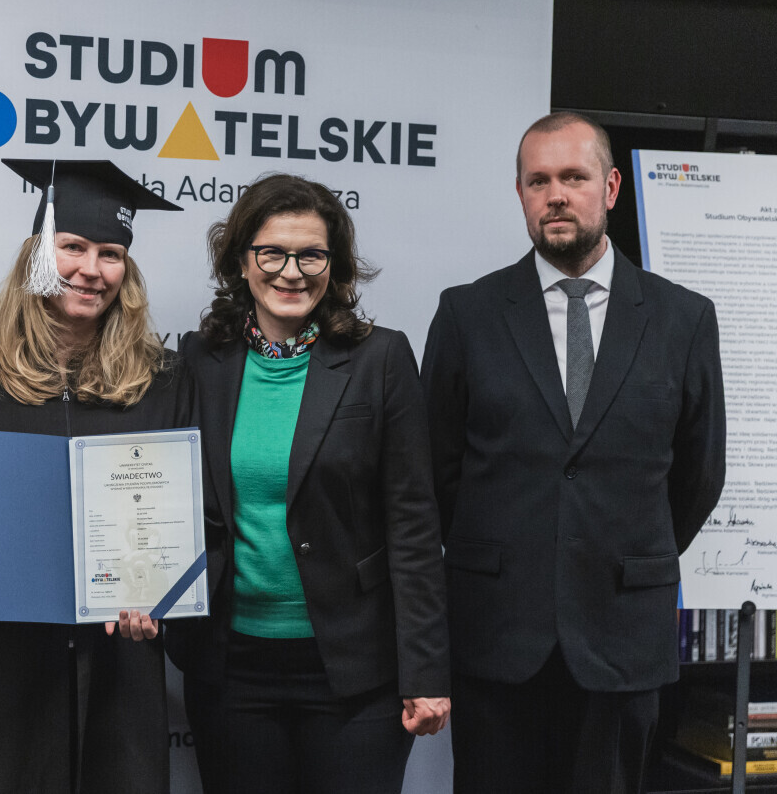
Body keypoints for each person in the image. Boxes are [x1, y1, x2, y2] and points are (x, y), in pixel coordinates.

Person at [421, 112, 727, 793]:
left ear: (610, 187)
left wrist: (622, 547)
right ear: (521, 194)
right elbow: (436, 469)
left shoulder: (683, 318)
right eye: (538, 181)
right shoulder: (467, 314)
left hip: (622, 632)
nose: (555, 195)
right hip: (499, 634)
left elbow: (700, 472)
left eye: (573, 177)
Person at [0, 159, 191, 794]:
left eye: (110, 254)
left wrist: (164, 598)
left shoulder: (161, 382)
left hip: (117, 660)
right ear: (37, 256)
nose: (91, 269)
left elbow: (194, 512)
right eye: (72, 246)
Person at [166, 173, 450, 794]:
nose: (291, 272)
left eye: (311, 255)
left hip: (355, 670)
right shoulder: (199, 360)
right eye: (272, 253)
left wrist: (426, 670)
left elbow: (413, 525)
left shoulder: (381, 359)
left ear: (334, 265)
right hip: (230, 668)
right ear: (242, 262)